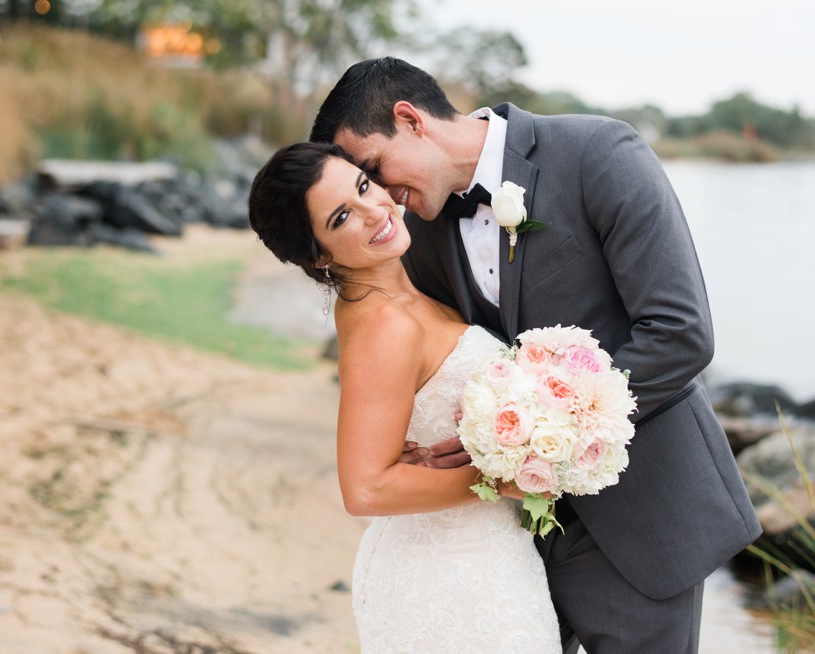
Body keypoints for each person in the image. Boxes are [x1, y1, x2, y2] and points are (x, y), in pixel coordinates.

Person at [310, 57, 763, 654]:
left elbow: (679, 333)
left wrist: (532, 443)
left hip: (639, 514)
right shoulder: (416, 228)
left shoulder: (600, 152)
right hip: (501, 547)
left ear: (410, 120)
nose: (384, 197)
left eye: (372, 170)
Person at [247, 142, 561, 653]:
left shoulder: (394, 294)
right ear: (318, 254)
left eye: (364, 186)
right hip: (454, 575)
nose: (376, 211)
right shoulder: (384, 326)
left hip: (475, 558)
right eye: (344, 215)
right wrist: (500, 479)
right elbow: (365, 489)